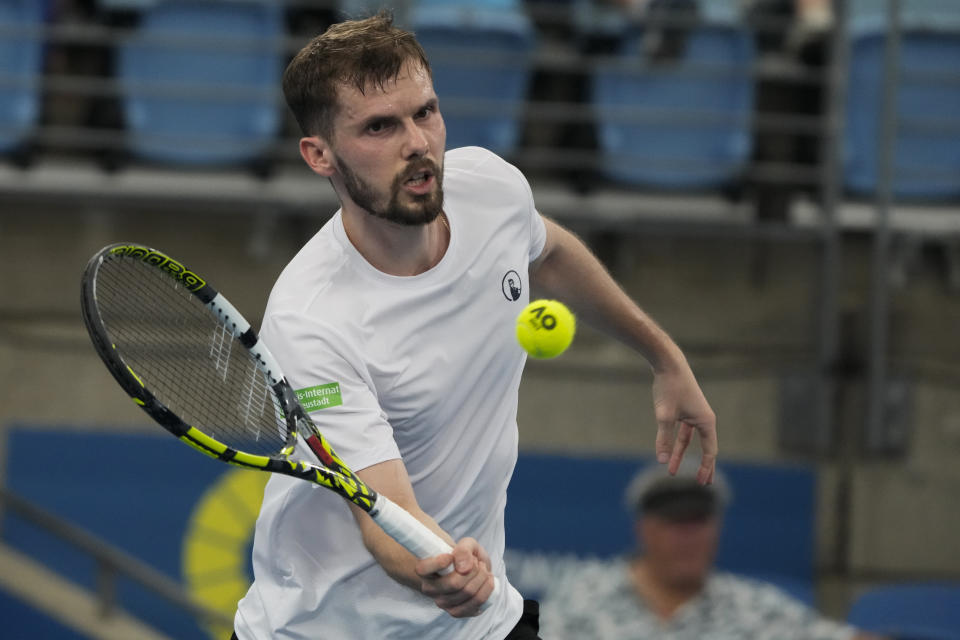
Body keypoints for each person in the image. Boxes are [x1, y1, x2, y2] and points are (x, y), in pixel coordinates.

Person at [232, 11, 717, 640]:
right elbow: (384, 515)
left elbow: (549, 252)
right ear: (318, 155)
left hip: (480, 625)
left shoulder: (488, 186)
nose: (417, 145)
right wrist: (439, 570)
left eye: (425, 113)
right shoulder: (310, 322)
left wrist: (664, 358)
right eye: (380, 127)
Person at [539, 463, 886, 640]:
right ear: (644, 529)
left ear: (716, 528)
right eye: (675, 523)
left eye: (698, 522)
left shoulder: (753, 608)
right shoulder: (582, 598)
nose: (687, 536)